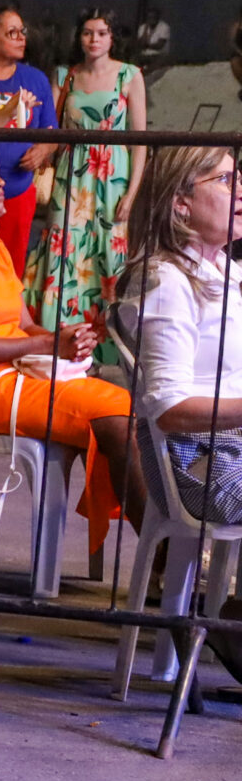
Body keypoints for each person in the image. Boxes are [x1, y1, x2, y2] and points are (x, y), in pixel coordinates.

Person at [0, 144, 135, 555]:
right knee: (116, 415)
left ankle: (164, 556)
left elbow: (26, 324)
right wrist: (46, 344)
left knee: (124, 409)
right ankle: (165, 556)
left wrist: (65, 337)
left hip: (19, 371)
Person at [124, 147, 242, 526]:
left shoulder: (224, 270)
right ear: (181, 203)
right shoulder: (166, 281)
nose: (240, 188)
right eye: (226, 180)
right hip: (201, 466)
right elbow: (169, 410)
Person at [26, 9, 146, 331]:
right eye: (88, 33)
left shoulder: (130, 75)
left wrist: (132, 193)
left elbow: (140, 141)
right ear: (79, 37)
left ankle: (108, 341)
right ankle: (58, 337)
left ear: (112, 38)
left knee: (109, 251)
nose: (94, 40)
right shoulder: (66, 74)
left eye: (102, 33)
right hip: (72, 173)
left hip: (113, 176)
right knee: (63, 247)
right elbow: (48, 126)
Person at [0, 6, 59, 277]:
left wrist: (43, 149)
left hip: (19, 192)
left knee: (11, 268)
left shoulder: (35, 79)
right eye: (12, 33)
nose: (22, 38)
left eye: (23, 32)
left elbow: (51, 130)